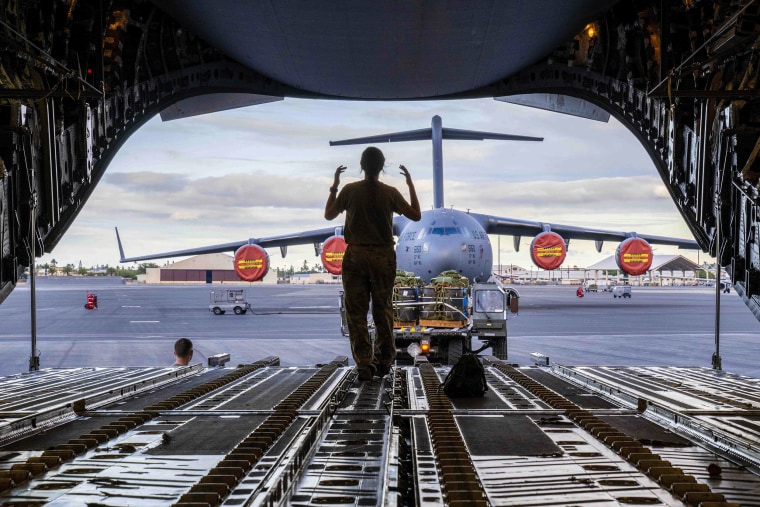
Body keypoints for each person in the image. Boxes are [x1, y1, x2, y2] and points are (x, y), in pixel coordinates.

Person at [325, 147, 421, 381]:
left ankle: (364, 365)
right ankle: (383, 363)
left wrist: (334, 185)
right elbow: (416, 215)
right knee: (383, 310)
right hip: (382, 256)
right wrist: (410, 185)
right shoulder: (390, 192)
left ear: (361, 165)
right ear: (382, 166)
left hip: (356, 256)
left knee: (356, 314)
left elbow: (329, 214)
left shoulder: (349, 190)